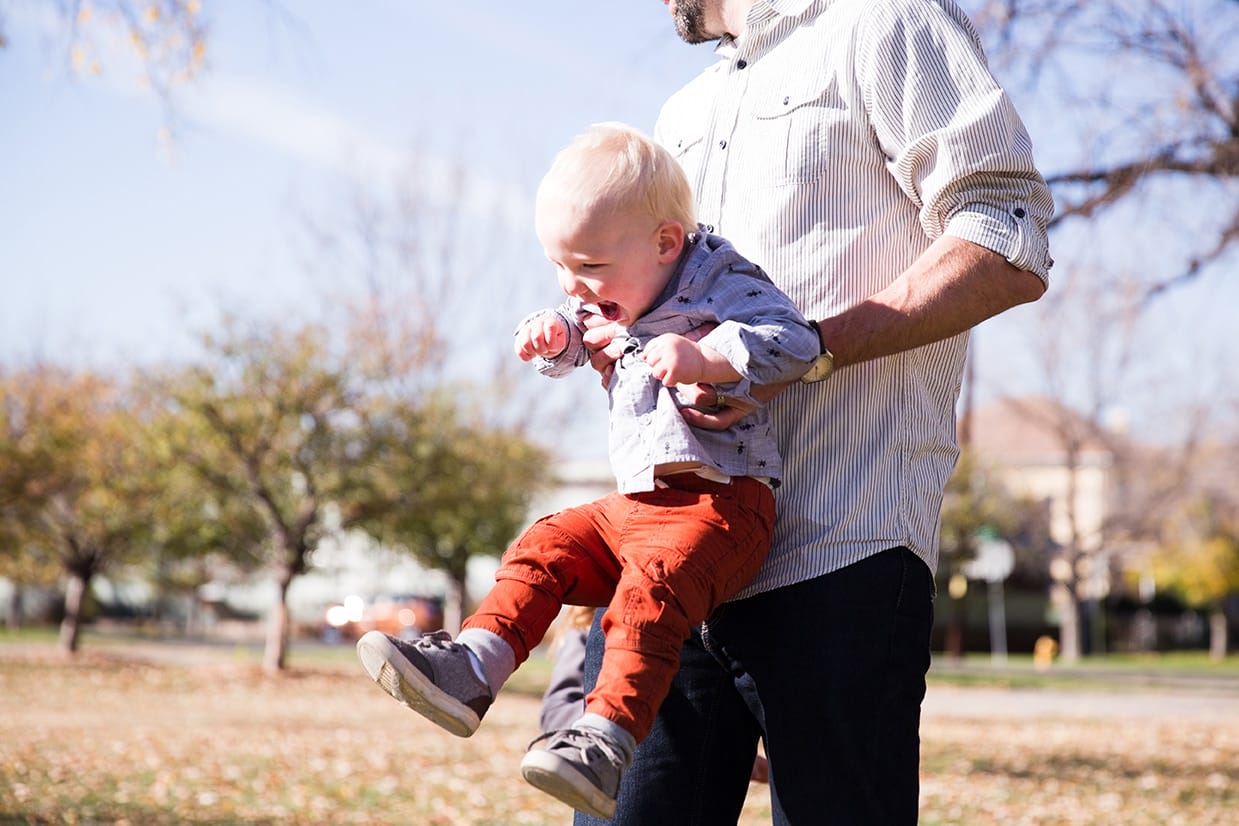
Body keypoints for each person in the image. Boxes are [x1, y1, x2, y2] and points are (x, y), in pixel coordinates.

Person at [573, 1, 1055, 824]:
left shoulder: (888, 22)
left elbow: (1005, 234)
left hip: (839, 556)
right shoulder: (681, 114)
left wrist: (809, 350)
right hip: (671, 568)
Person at [355, 122, 820, 819]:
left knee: (649, 591)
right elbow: (578, 333)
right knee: (547, 541)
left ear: (666, 242)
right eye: (559, 266)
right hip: (634, 504)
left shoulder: (718, 280)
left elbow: (795, 342)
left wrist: (705, 358)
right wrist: (552, 336)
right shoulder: (614, 291)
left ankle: (603, 740)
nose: (574, 285)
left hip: (720, 505)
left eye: (590, 267)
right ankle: (471, 666)